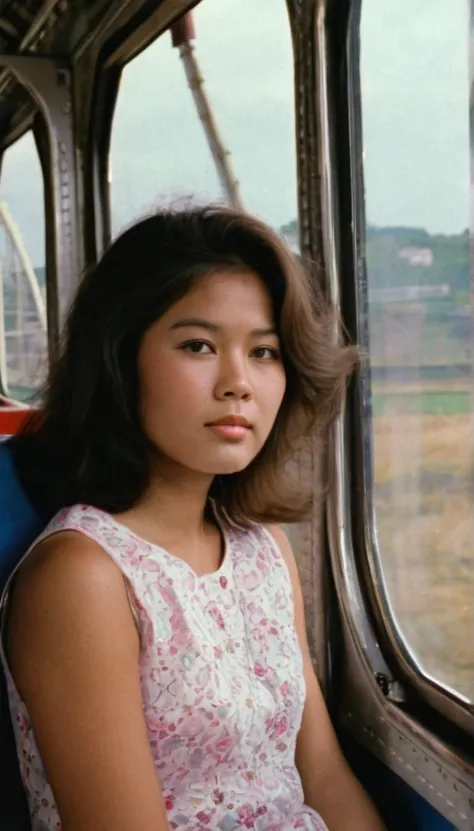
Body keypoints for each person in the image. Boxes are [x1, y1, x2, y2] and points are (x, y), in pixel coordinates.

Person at [0, 206, 385, 831]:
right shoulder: (84, 579)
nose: (238, 382)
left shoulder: (262, 548)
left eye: (264, 352)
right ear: (122, 361)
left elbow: (323, 776)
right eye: (198, 345)